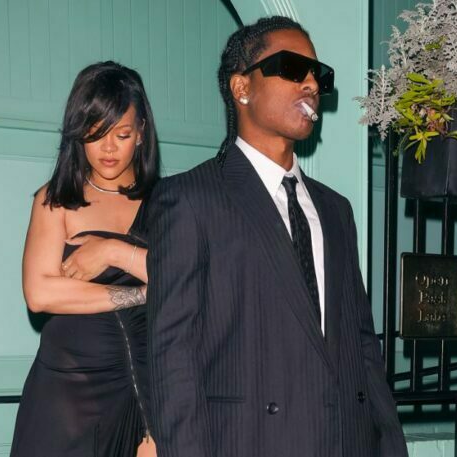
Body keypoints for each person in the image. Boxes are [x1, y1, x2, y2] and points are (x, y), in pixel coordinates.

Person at [147, 16, 407, 457]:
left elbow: (362, 347)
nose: (312, 84)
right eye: (292, 68)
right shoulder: (189, 199)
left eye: (319, 75)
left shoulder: (336, 210)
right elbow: (173, 360)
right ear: (242, 88)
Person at [11, 61, 158, 457]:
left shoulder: (169, 203)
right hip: (65, 395)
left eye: (121, 134)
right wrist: (144, 292)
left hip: (141, 395)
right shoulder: (56, 199)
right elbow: (40, 294)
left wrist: (113, 251)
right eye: (95, 134)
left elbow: (190, 279)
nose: (108, 148)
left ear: (141, 132)